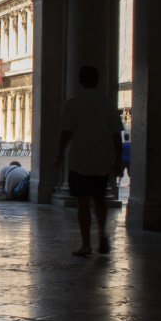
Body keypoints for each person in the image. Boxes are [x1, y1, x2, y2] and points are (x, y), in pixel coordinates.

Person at [56, 65, 124, 256]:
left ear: (80, 81)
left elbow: (66, 133)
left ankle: (86, 244)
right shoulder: (107, 103)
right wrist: (117, 160)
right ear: (98, 80)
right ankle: (102, 233)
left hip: (79, 161)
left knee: (83, 204)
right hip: (101, 159)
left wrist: (59, 154)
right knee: (100, 199)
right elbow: (116, 134)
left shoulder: (72, 104)